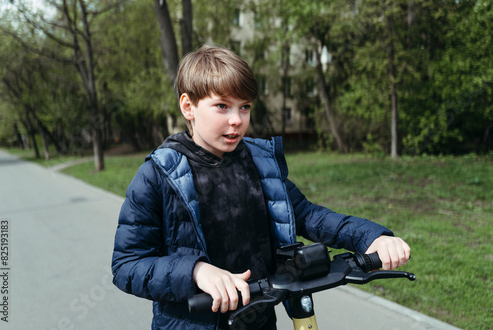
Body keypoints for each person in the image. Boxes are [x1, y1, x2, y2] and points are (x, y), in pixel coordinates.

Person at [111, 44, 411, 330]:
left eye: (245, 107)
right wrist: (195, 271)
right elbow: (127, 265)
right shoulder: (157, 175)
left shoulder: (260, 162)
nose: (237, 120)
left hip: (259, 318)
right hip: (192, 322)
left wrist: (370, 237)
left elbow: (306, 215)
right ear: (188, 106)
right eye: (222, 106)